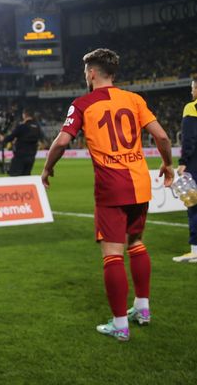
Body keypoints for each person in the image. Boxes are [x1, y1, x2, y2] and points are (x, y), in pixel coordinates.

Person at [41, 48, 173, 341]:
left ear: (91, 73)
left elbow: (61, 142)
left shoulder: (82, 104)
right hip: (139, 183)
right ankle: (143, 309)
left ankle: (120, 325)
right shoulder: (134, 99)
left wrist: (47, 168)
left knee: (113, 254)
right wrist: (167, 164)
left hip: (111, 188)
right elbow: (162, 136)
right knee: (136, 243)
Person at [175, 76, 197, 262]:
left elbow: (189, 138)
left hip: (195, 164)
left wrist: (183, 161)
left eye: (193, 88)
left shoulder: (191, 108)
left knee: (194, 205)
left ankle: (195, 250)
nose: (191, 91)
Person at [2, 109, 43, 176]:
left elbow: (11, 137)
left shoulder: (22, 126)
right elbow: (41, 139)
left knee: (14, 176)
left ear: (24, 115)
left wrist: (3, 139)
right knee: (26, 177)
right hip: (31, 156)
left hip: (20, 156)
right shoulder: (37, 127)